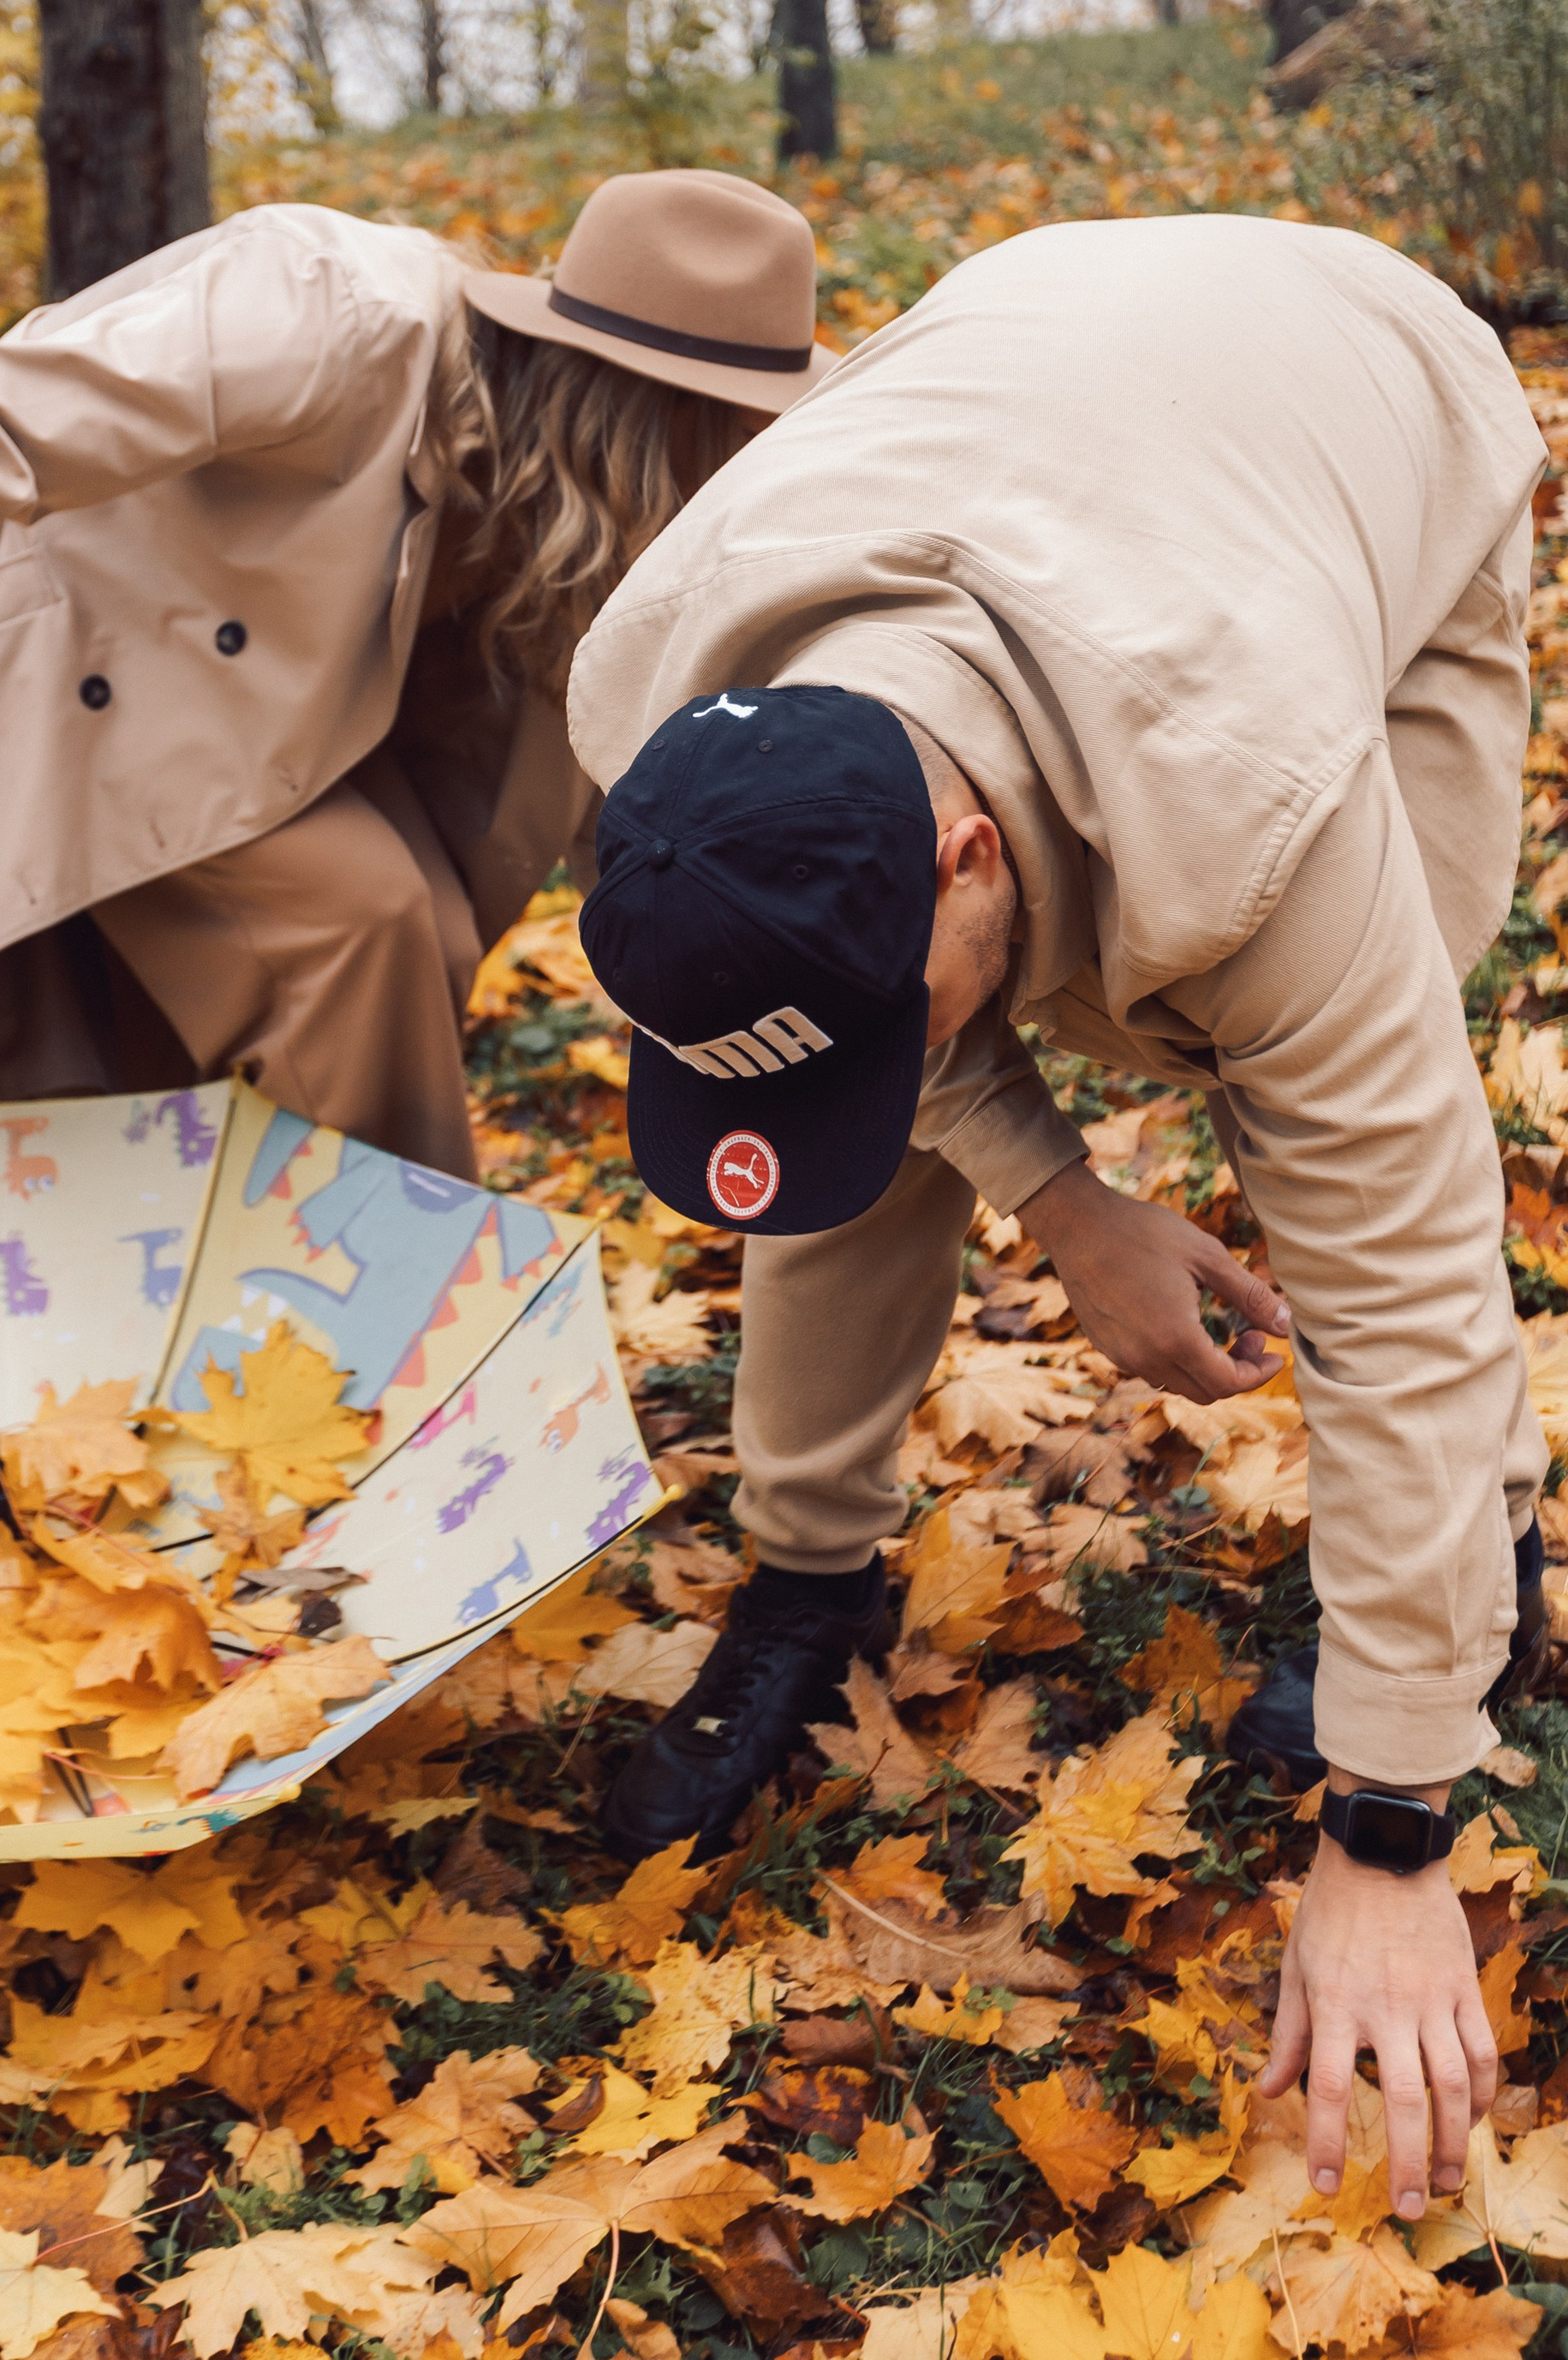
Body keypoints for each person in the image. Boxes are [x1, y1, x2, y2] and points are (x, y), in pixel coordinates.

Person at [564, 212, 1548, 2231]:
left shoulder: (1253, 786)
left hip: (1371, 410)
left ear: (968, 852)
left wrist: (1384, 1818)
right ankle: (798, 1582)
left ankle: (1485, 1566)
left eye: (914, 973)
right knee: (850, 1121)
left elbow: (1410, 1284)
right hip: (1037, 389)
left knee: (1364, 1093)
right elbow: (848, 1038)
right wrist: (1053, 1189)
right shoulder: (656, 716)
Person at [0, 170, 832, 1175]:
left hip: (298, 719)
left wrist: (784, 982)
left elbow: (624, 783)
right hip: (81, 675)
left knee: (415, 933)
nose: (747, 461)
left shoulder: (580, 508)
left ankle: (313, 1292)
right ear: (647, 414)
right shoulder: (327, 308)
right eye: (737, 425)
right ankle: (394, 1311)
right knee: (357, 927)